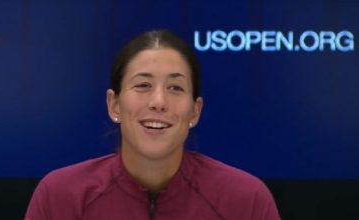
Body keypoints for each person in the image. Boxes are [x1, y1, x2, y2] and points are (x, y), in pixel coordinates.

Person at [25, 29, 281, 220]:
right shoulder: (59, 196)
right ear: (114, 105)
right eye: (143, 85)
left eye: (175, 87)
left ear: (195, 111)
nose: (159, 101)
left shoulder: (247, 201)